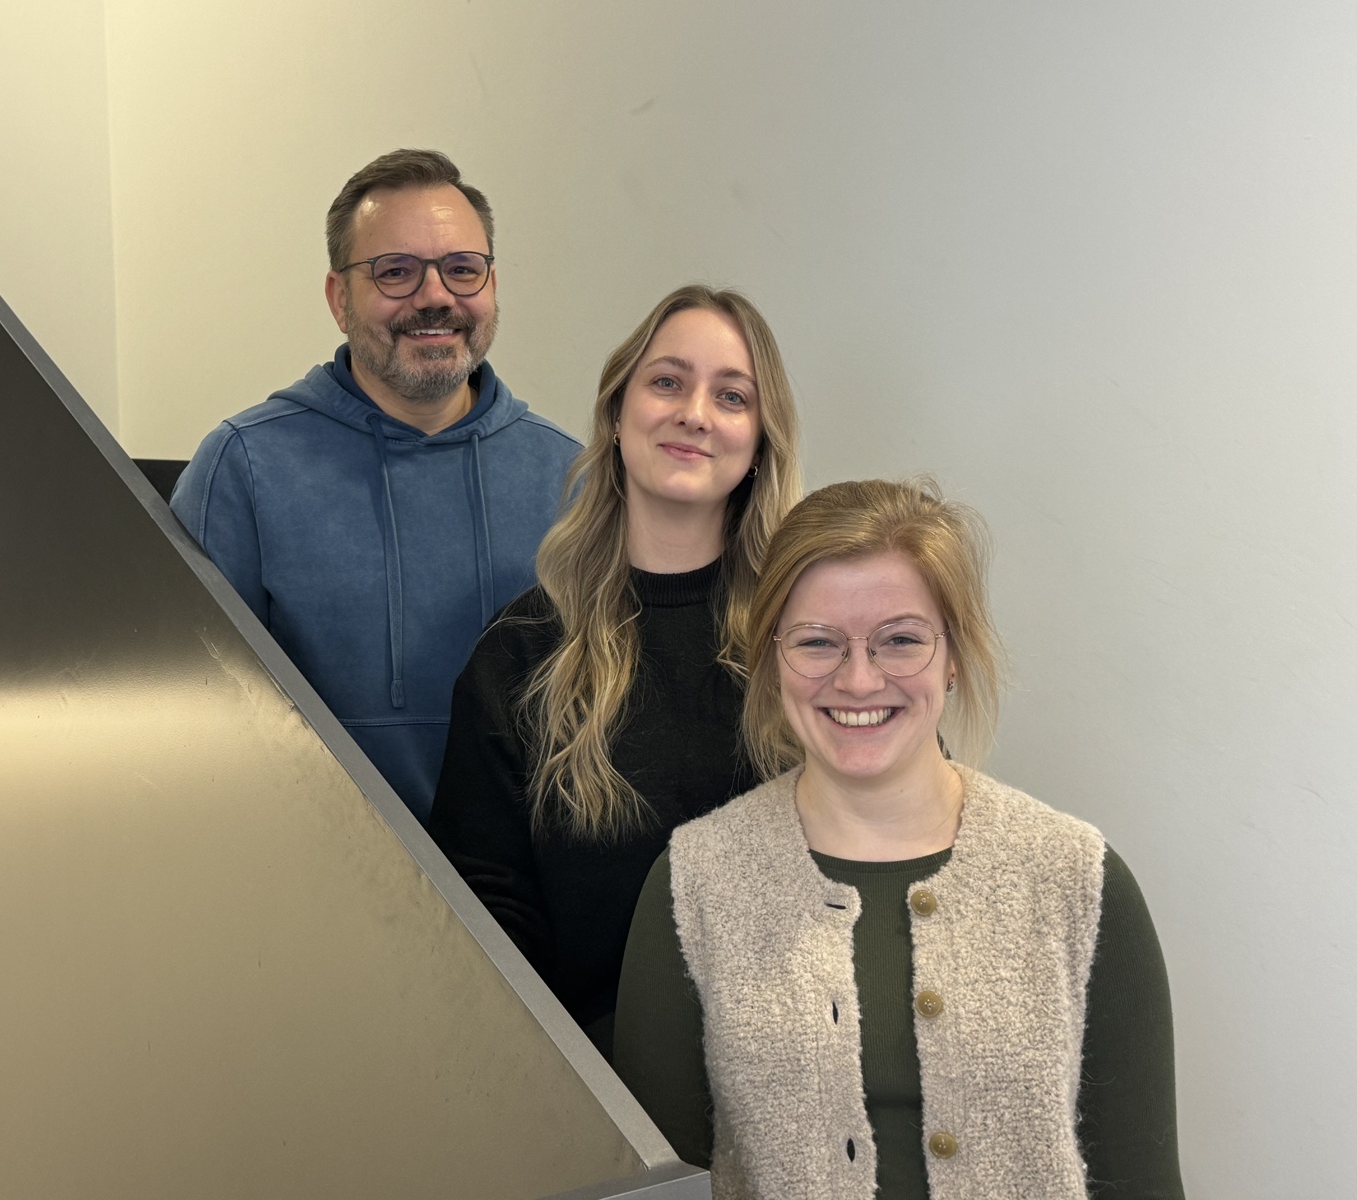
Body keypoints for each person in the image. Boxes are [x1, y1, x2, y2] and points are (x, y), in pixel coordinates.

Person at [613, 479, 1184, 1200]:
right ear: (771, 658)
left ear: (954, 655)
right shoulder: (696, 882)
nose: (858, 679)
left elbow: (1143, 1185)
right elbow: (655, 1187)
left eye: (902, 640)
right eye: (817, 642)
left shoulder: (1076, 879)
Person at [427, 285, 804, 1056]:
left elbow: (901, 834)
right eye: (667, 381)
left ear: (761, 441)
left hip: (805, 1074)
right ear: (616, 414)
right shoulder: (521, 654)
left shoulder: (813, 639)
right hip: (605, 1087)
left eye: (732, 396)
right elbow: (489, 926)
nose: (695, 413)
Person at [171, 149, 579, 821]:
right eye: (395, 271)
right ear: (340, 298)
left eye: (462, 269)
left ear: (492, 285)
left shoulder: (573, 480)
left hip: (526, 881)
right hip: (318, 868)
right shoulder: (241, 468)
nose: (436, 297)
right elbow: (197, 722)